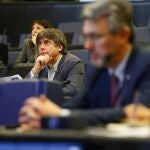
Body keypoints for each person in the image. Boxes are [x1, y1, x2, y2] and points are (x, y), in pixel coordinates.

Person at [19, 0, 150, 130]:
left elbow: (138, 115)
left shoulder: (146, 63)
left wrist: (60, 115)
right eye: (86, 37)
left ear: (123, 35)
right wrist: (41, 116)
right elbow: (75, 106)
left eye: (95, 36)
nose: (88, 45)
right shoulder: (98, 68)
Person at [26, 28, 85, 98]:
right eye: (39, 43)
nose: (41, 47)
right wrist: (35, 70)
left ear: (59, 47)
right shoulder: (40, 63)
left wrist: (41, 92)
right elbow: (24, 89)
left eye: (46, 42)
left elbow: (72, 90)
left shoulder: (74, 63)